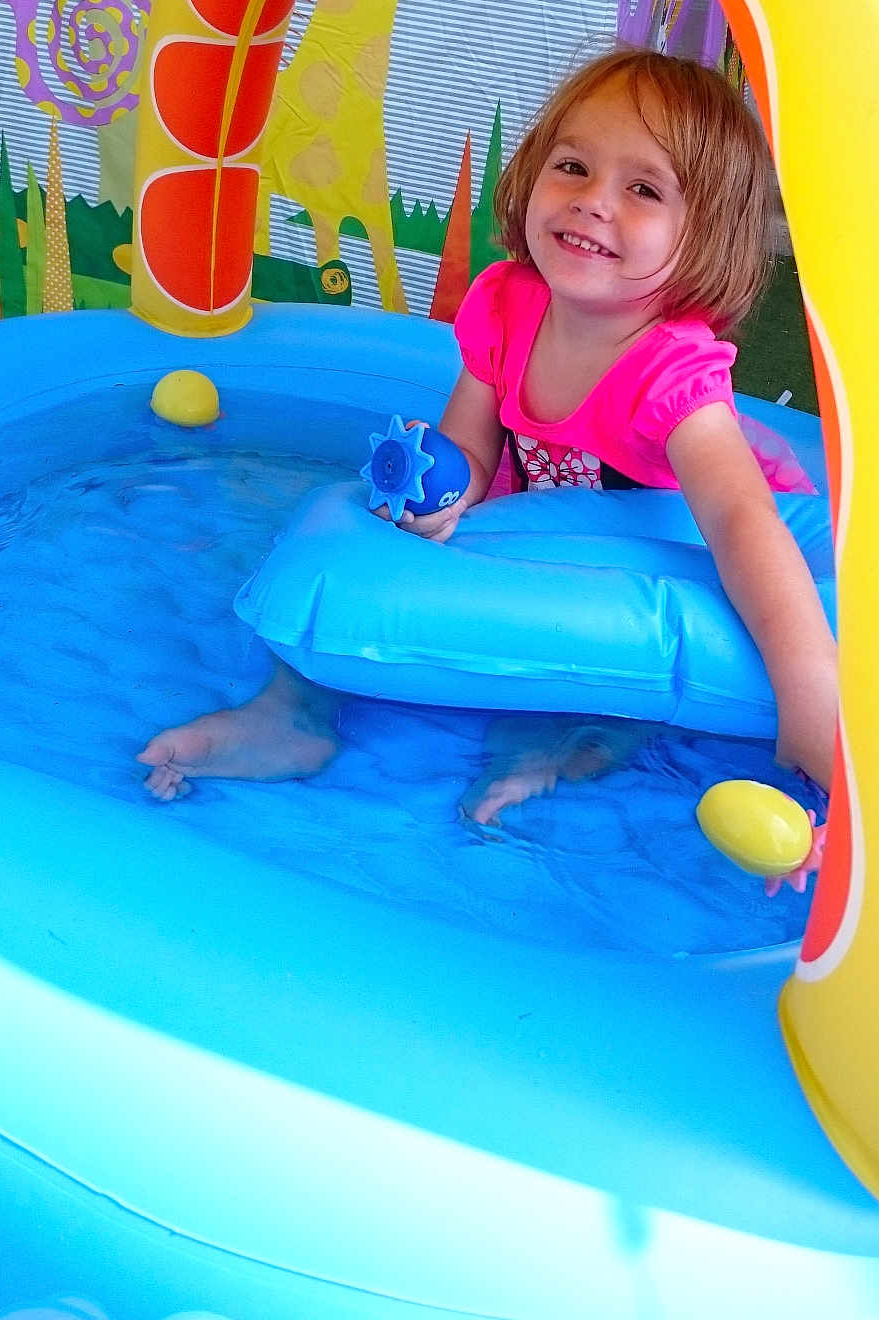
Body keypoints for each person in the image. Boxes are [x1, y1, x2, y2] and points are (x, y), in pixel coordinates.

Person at [140, 48, 837, 820]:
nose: (593, 201)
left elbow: (743, 526)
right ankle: (290, 717)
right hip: (533, 534)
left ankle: (571, 746)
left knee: (599, 682)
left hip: (649, 556)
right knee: (361, 553)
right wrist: (441, 494)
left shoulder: (671, 376)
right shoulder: (506, 306)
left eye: (643, 189)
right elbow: (471, 450)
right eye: (573, 167)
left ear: (704, 238)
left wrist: (812, 703)